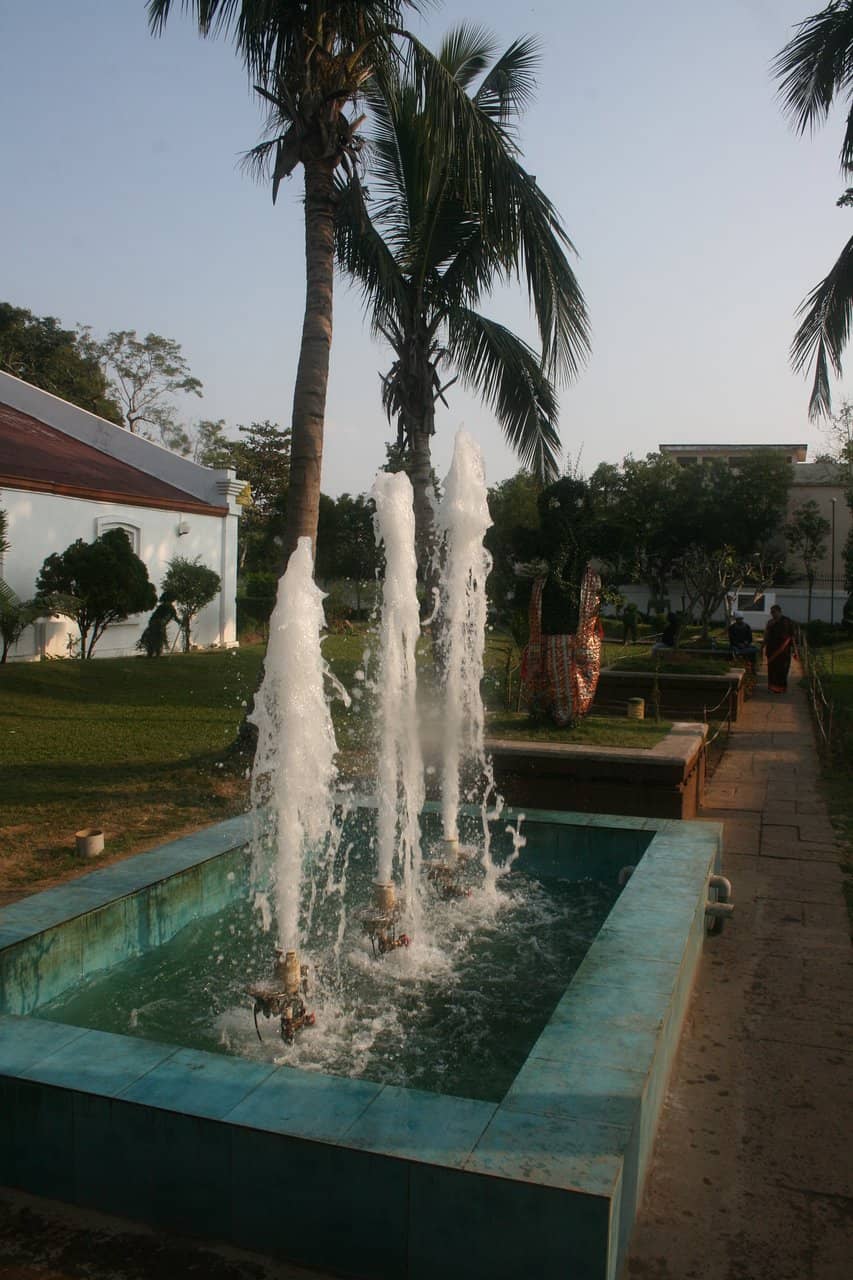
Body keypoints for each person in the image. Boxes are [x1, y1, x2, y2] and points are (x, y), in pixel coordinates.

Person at [763, 604, 797, 693]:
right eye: (771, 612)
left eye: (774, 612)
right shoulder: (770, 622)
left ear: (779, 611)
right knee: (772, 670)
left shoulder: (787, 621)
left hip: (784, 650)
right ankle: (773, 687)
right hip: (771, 650)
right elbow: (766, 636)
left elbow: (792, 636)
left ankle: (781, 688)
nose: (772, 614)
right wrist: (762, 647)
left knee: (783, 669)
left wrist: (795, 651)